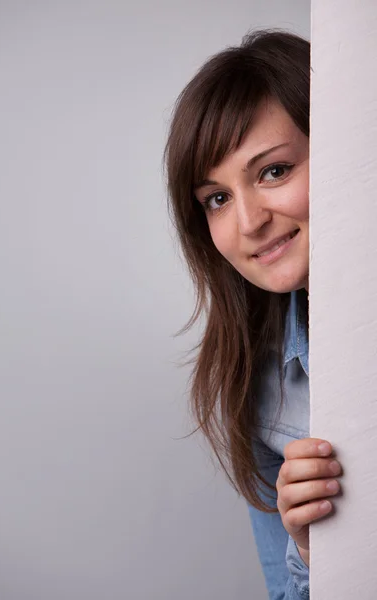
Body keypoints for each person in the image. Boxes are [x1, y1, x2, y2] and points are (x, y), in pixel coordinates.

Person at [164, 29, 343, 599]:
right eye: (216, 198)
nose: (248, 223)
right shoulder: (260, 385)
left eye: (273, 171)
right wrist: (316, 554)